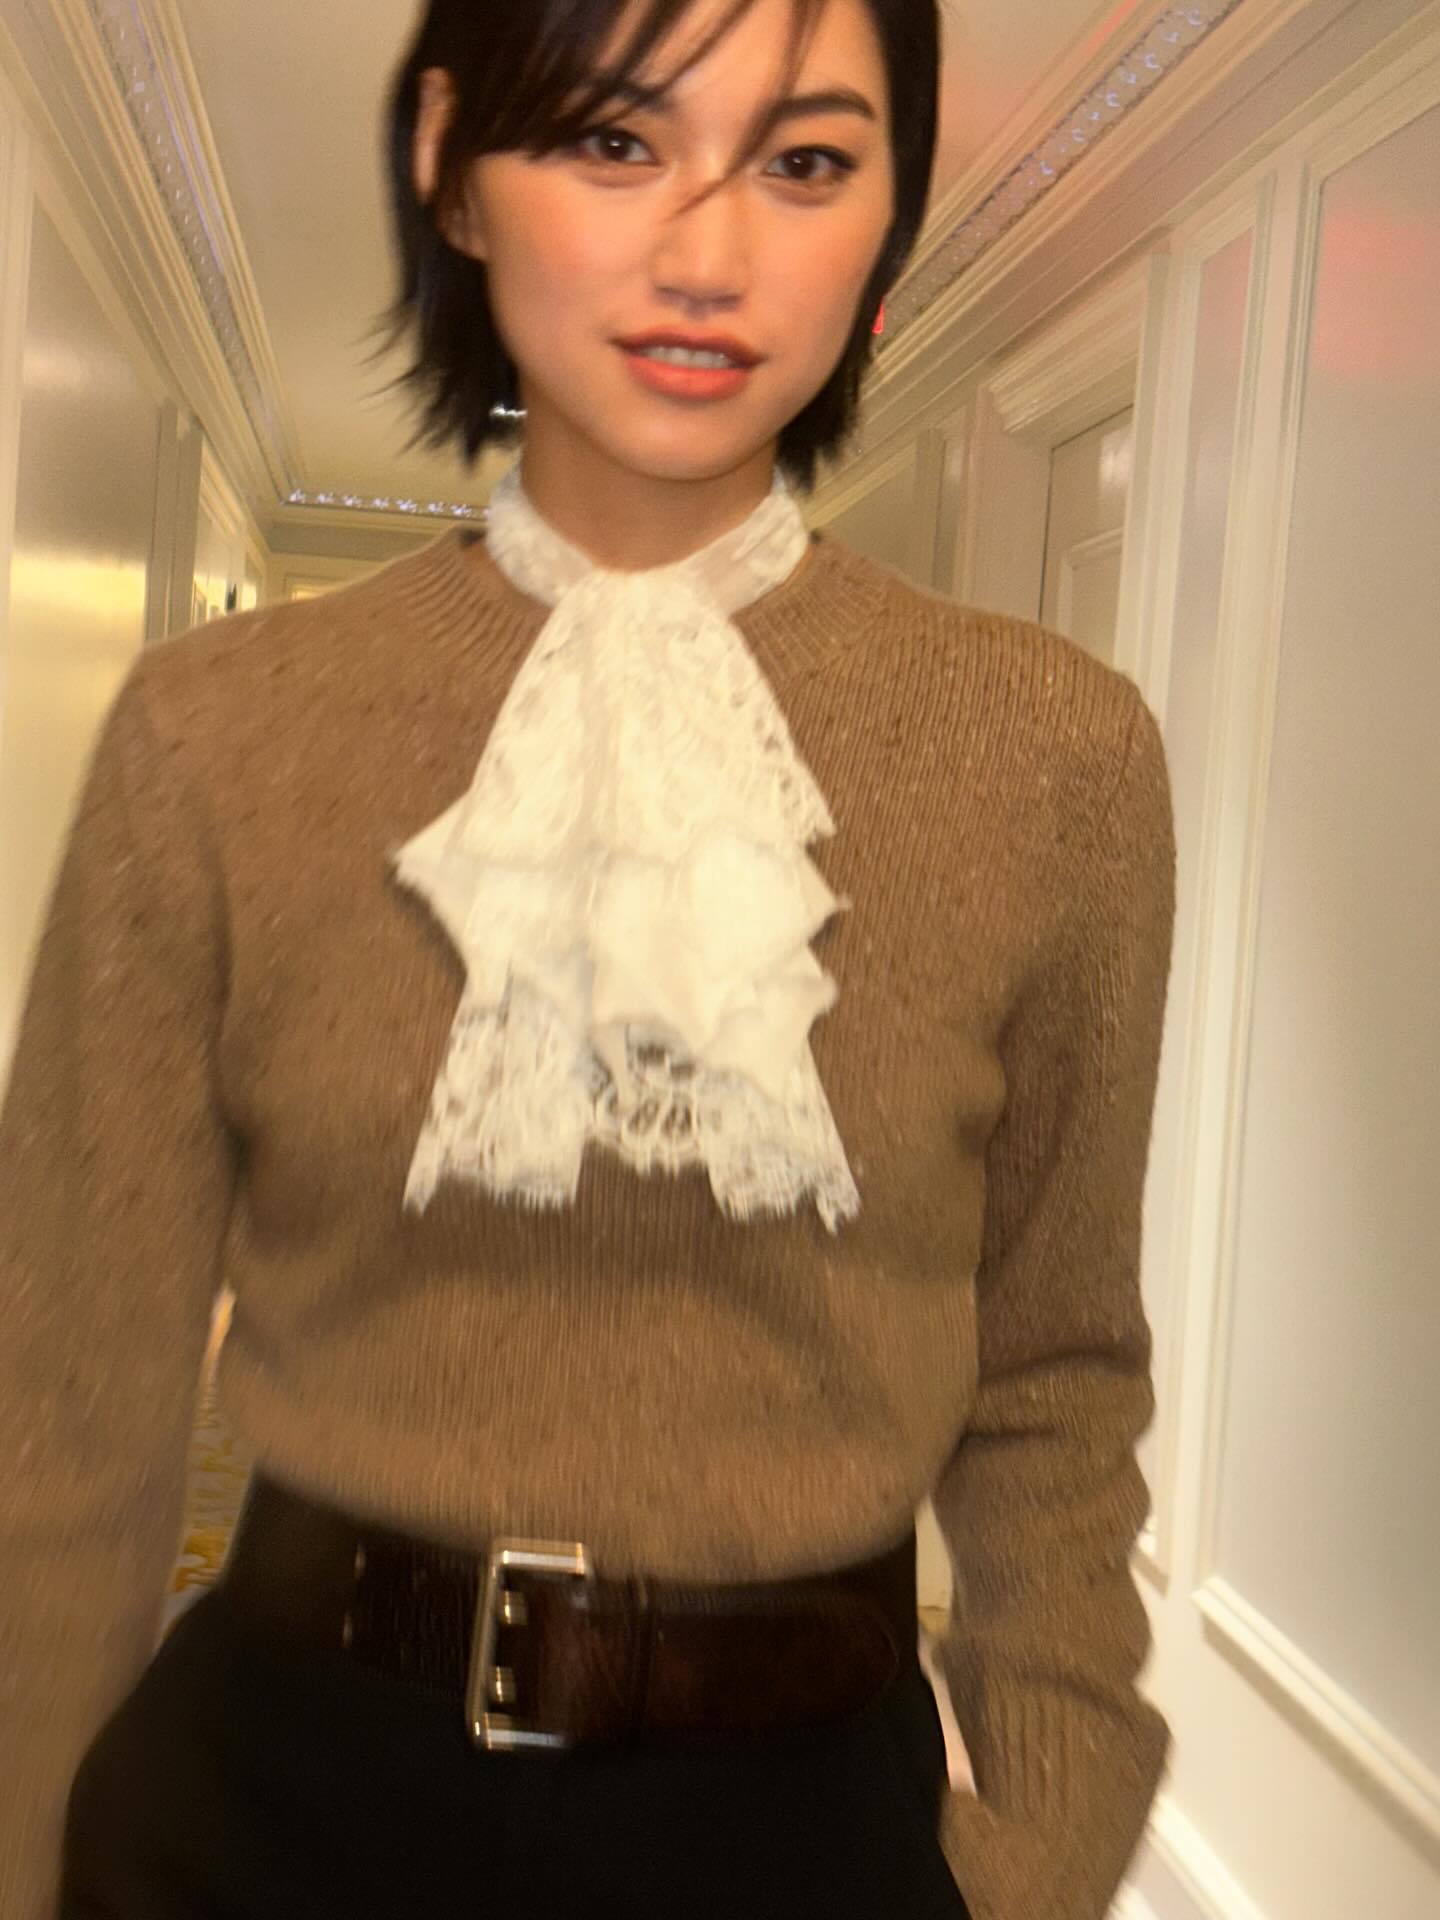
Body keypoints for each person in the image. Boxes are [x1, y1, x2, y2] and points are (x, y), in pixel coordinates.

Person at [0, 0, 1178, 1915]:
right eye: (616, 142)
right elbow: (60, 1407)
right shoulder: (209, 737)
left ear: (887, 213)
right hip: (269, 1811)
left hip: (813, 1832)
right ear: (452, 164)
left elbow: (1057, 1374)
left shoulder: (1060, 759)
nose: (708, 253)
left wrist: (1035, 1851)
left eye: (805, 160)